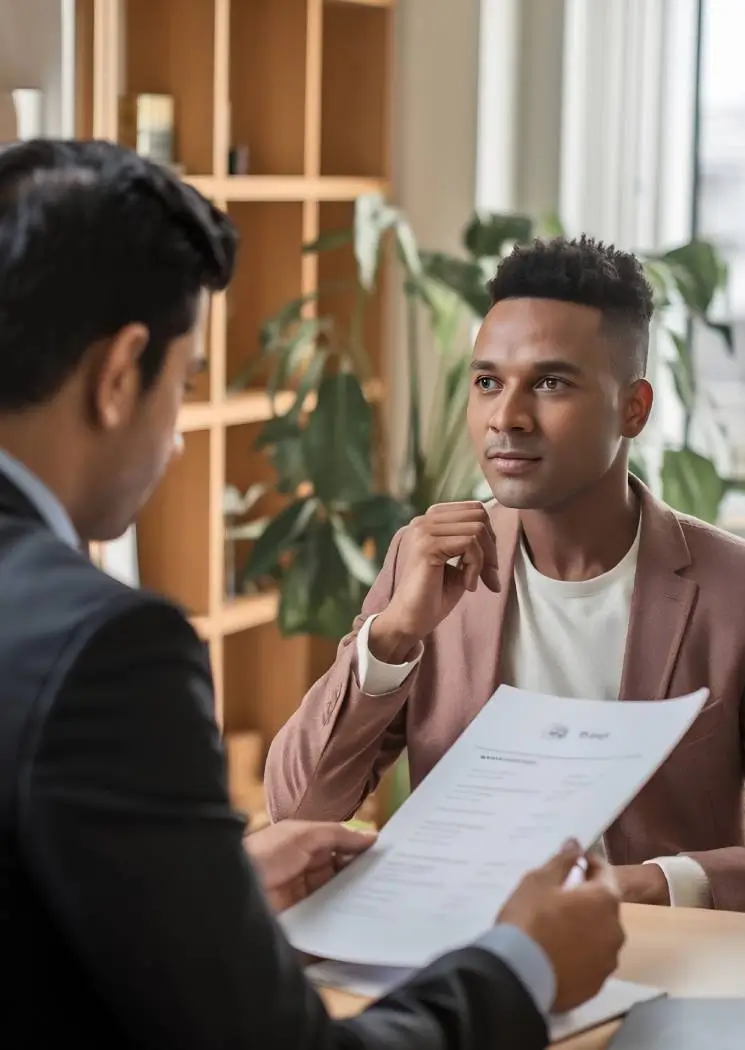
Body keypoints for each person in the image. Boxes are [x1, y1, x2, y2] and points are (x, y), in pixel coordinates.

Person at [0, 139, 625, 1049]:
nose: (176, 440)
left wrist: (207, 892)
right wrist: (522, 965)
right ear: (119, 375)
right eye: (184, 385)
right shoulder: (104, 647)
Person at [267, 235, 745, 918]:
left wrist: (650, 885)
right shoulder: (423, 562)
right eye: (488, 381)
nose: (506, 417)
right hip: (460, 960)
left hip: (659, 966)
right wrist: (395, 635)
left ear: (633, 408)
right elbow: (299, 806)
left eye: (550, 383)